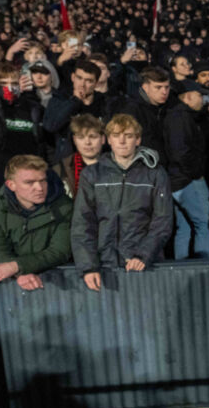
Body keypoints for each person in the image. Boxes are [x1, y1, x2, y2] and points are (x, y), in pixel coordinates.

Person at [71, 113, 173, 291]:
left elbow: (162, 221)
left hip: (143, 264)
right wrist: (88, 266)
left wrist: (143, 254)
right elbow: (83, 223)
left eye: (128, 135)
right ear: (109, 140)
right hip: (104, 265)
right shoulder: (92, 174)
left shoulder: (155, 173)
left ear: (138, 139)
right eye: (116, 135)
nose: (122, 141)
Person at [0, 154, 73, 291]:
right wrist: (20, 273)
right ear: (11, 185)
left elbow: (59, 251)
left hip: (59, 282)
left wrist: (17, 266)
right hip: (12, 282)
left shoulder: (64, 206)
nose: (39, 188)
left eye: (43, 180)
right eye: (29, 182)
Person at [164, 83, 209, 259]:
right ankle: (204, 267)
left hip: (178, 179)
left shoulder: (184, 116)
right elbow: (180, 152)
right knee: (203, 225)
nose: (203, 100)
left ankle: (181, 269)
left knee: (184, 227)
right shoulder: (180, 117)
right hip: (187, 181)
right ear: (188, 97)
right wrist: (195, 173)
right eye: (200, 95)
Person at [51, 113, 105, 199]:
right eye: (81, 137)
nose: (87, 142)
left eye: (93, 137)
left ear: (103, 139)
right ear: (75, 140)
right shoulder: (60, 170)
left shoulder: (116, 167)